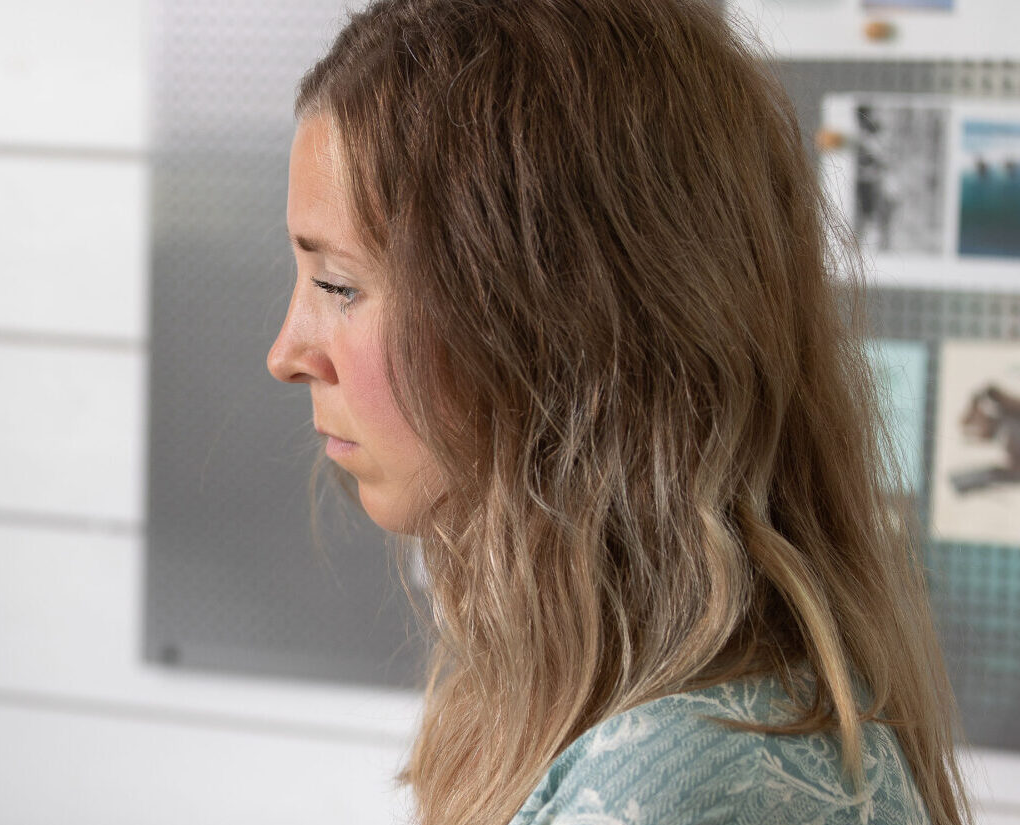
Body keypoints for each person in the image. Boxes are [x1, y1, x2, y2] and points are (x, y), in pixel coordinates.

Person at [263, 0, 968, 823]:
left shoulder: (675, 784)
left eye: (339, 285)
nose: (285, 353)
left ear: (552, 324)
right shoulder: (627, 717)